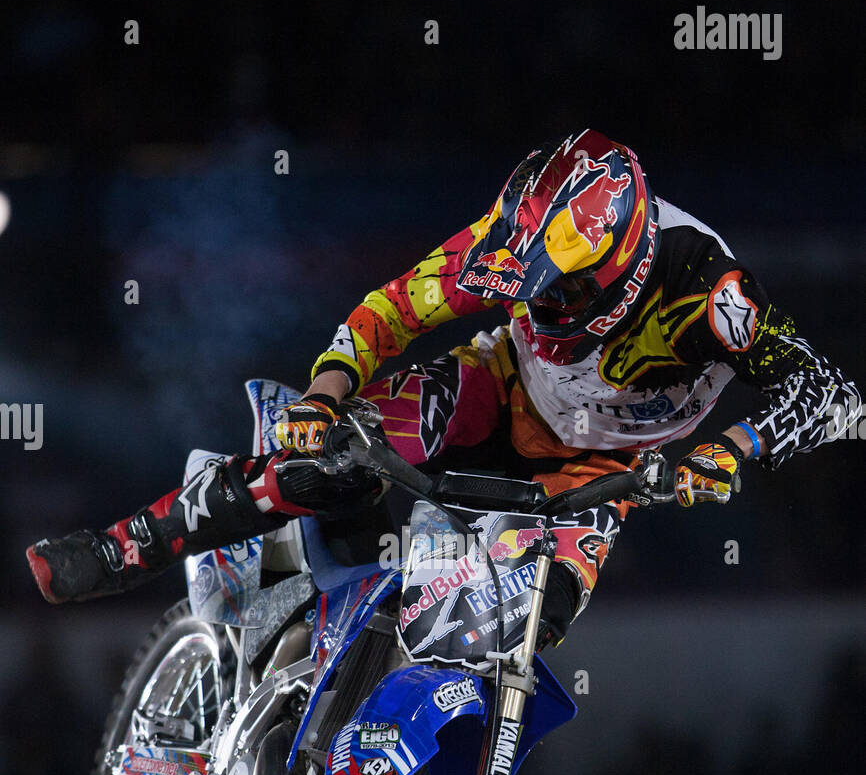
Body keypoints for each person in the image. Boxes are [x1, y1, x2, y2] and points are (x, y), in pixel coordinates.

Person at [27, 129, 860, 644]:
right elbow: (395, 307)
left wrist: (732, 451)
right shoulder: (511, 242)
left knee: (536, 627)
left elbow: (834, 397)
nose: (543, 299)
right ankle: (123, 547)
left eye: (564, 292)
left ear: (628, 270)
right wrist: (325, 393)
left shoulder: (709, 288)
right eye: (532, 282)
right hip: (500, 385)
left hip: (601, 475)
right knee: (330, 459)